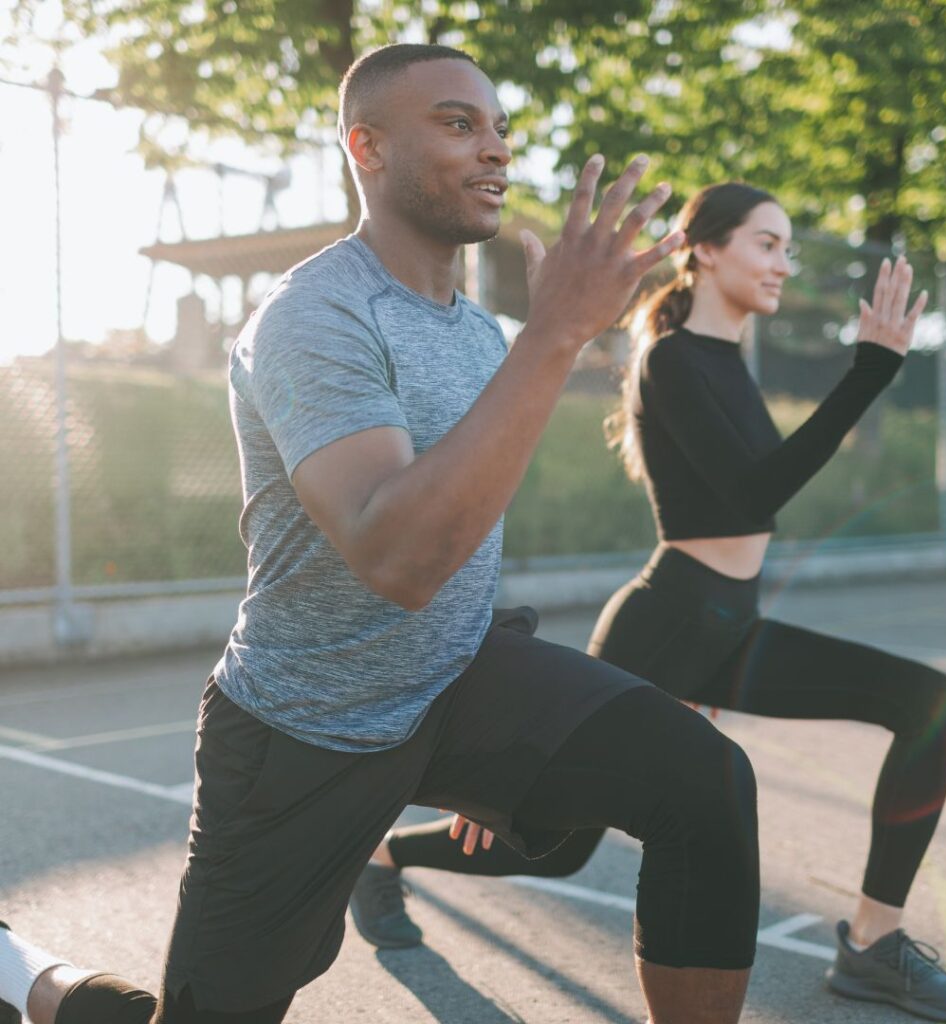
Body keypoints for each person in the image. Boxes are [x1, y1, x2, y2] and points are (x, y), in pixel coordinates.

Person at [0, 47, 762, 1024]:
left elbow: (468, 540)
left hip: (453, 682)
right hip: (302, 727)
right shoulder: (312, 318)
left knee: (701, 779)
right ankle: (32, 976)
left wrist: (514, 734)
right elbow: (397, 558)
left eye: (497, 128)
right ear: (366, 146)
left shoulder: (480, 334)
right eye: (457, 124)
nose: (493, 149)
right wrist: (555, 336)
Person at [351, 183, 946, 1024]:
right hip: (666, 625)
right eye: (767, 243)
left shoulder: (726, 363)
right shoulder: (673, 358)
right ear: (707, 249)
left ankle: (872, 944)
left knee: (929, 702)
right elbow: (756, 492)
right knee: (554, 849)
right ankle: (384, 857)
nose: (783, 264)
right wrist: (869, 371)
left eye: (788, 247)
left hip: (734, 625)